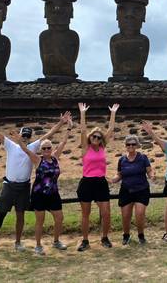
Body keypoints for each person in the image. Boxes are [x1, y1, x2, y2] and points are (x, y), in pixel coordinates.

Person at [0, 107, 71, 252]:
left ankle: (18, 243)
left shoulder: (33, 147)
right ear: (19, 135)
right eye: (23, 135)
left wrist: (61, 123)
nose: (24, 137)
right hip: (9, 185)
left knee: (20, 215)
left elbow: (49, 134)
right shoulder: (10, 145)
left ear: (29, 137)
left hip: (24, 186)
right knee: (1, 213)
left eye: (27, 135)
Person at [10, 116, 73, 255]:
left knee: (59, 218)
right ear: (41, 150)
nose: (46, 150)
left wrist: (69, 127)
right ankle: (38, 245)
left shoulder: (55, 158)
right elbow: (25, 150)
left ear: (51, 148)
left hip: (53, 193)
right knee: (40, 220)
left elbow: (63, 142)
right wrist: (18, 139)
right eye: (44, 148)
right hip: (39, 194)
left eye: (48, 147)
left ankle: (56, 241)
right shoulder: (37, 160)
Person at [76, 102, 119, 251]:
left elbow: (111, 129)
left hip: (101, 182)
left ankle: (105, 237)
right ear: (90, 138)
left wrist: (113, 112)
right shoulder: (86, 148)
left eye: (99, 137)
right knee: (86, 214)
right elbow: (82, 131)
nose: (96, 139)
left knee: (106, 212)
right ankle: (85, 241)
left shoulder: (102, 147)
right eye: (94, 136)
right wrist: (82, 113)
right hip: (87, 183)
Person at [110, 135, 155, 245]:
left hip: (141, 190)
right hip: (126, 191)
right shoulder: (122, 160)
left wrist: (152, 175)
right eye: (128, 144)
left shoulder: (143, 158)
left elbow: (149, 170)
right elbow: (119, 174)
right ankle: (126, 235)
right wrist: (112, 180)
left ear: (137, 145)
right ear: (125, 146)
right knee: (125, 216)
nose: (130, 146)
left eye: (133, 144)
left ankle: (141, 235)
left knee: (139, 214)